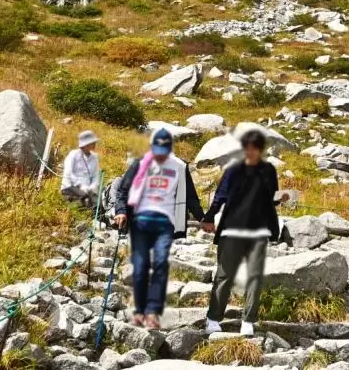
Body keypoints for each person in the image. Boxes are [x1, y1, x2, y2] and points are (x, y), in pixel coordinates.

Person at [114, 128, 204, 329]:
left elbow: (191, 197)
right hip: (140, 222)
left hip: (165, 223)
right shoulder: (140, 164)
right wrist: (121, 212)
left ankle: (153, 312)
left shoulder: (180, 167)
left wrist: (204, 219)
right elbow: (122, 191)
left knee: (161, 264)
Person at [203, 128, 288, 337]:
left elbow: (271, 198)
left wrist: (281, 198)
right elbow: (220, 197)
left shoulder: (269, 171)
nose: (250, 152)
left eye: (255, 148)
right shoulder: (233, 170)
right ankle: (213, 318)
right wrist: (208, 217)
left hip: (258, 231)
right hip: (232, 229)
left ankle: (248, 321)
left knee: (255, 277)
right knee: (225, 276)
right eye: (247, 148)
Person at [60, 130, 101, 208]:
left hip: (88, 189)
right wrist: (81, 186)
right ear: (86, 144)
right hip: (70, 187)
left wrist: (92, 187)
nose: (95, 144)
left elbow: (96, 175)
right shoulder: (73, 155)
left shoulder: (95, 157)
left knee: (98, 201)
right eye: (92, 142)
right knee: (86, 199)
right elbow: (69, 174)